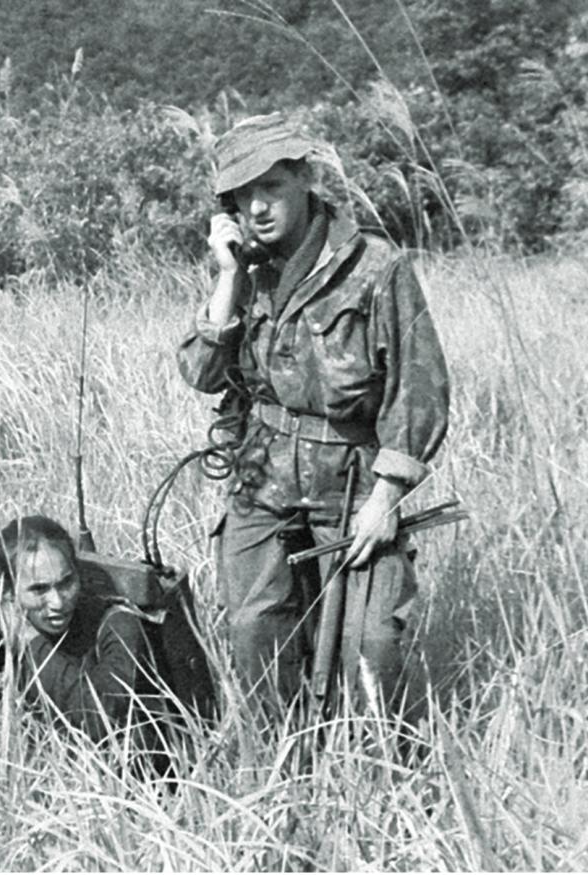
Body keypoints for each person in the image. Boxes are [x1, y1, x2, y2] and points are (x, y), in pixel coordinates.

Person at [177, 114, 450, 720]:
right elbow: (200, 373)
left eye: (270, 188)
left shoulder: (377, 268)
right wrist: (228, 280)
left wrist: (387, 497)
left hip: (351, 483)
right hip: (262, 474)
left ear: (305, 178)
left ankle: (377, 776)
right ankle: (279, 771)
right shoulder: (245, 271)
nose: (258, 208)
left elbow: (420, 389)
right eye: (242, 197)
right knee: (254, 633)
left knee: (371, 646)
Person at [0, 515, 178, 772]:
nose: (57, 602)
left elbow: (100, 717)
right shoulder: (1, 624)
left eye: (66, 583)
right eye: (39, 590)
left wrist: (23, 636)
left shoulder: (116, 623)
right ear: (8, 590)